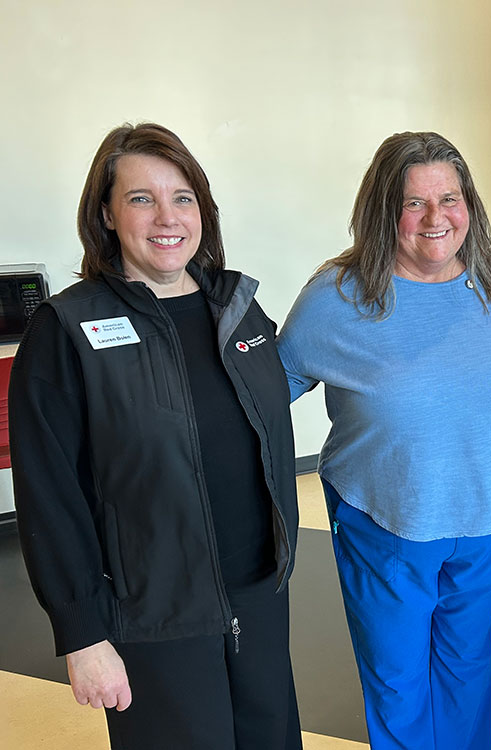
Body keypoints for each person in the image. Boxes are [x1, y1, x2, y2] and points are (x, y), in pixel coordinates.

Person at [9, 123, 301, 750]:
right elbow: (49, 497)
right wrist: (84, 635)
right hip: (154, 614)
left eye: (183, 197)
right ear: (106, 214)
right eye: (141, 198)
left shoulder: (237, 308)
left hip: (257, 595)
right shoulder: (67, 330)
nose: (167, 217)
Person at [277, 131, 491, 750]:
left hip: (486, 526)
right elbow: (264, 395)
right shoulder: (338, 298)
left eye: (450, 198)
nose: (436, 217)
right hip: (386, 526)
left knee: (467, 674)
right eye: (414, 202)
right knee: (398, 685)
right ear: (383, 210)